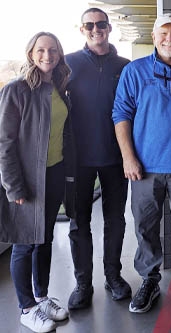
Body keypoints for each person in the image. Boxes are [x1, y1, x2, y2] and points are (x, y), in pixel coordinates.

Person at [112, 13, 171, 313]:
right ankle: (150, 279)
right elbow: (121, 115)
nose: (170, 39)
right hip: (144, 168)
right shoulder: (134, 71)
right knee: (145, 227)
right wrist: (128, 157)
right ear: (154, 38)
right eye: (164, 34)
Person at [0, 32, 74, 332]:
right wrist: (13, 186)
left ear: (59, 54)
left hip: (53, 174)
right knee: (24, 244)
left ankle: (41, 297)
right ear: (31, 53)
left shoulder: (58, 87)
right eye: (41, 50)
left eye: (53, 50)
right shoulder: (16, 90)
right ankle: (26, 307)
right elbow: (4, 143)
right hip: (27, 181)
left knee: (43, 241)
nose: (47, 55)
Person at [65, 7, 131, 310]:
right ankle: (82, 283)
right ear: (82, 30)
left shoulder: (125, 66)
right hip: (77, 159)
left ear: (109, 28)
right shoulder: (67, 64)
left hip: (116, 157)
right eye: (89, 25)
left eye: (101, 24)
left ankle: (113, 276)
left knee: (115, 221)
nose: (96, 29)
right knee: (79, 224)